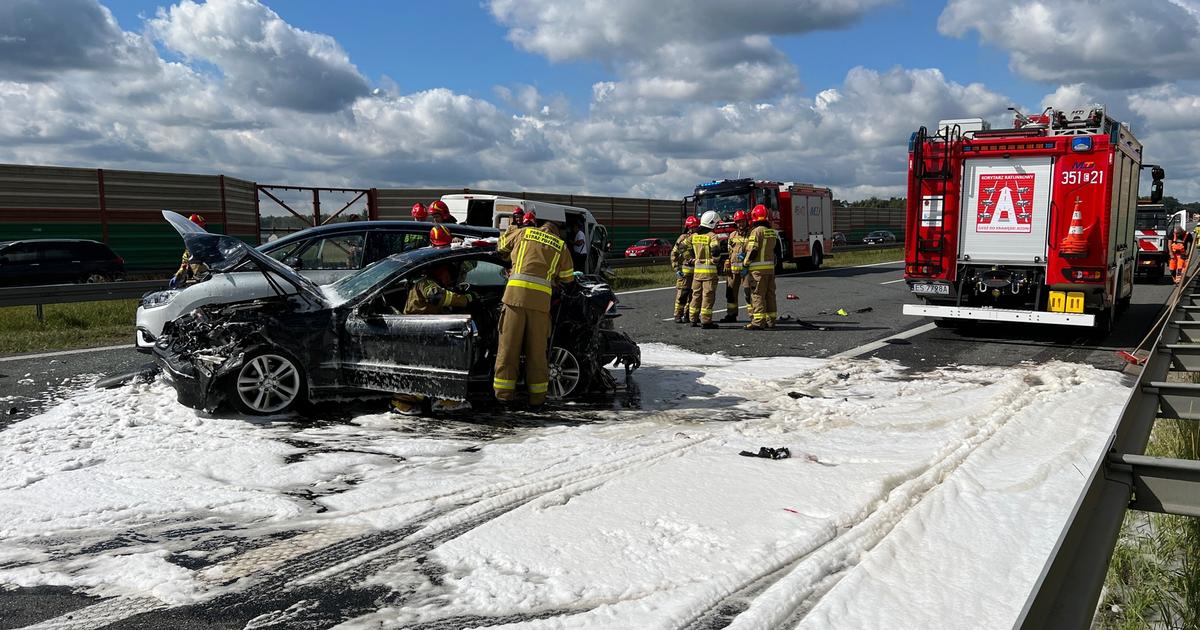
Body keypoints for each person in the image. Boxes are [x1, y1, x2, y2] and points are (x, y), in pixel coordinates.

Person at [494, 208, 575, 409]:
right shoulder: (561, 246)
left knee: (508, 350)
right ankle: (537, 400)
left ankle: (504, 397)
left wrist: (513, 228)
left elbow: (501, 247)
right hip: (540, 305)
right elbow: (568, 278)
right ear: (556, 232)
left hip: (514, 300)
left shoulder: (525, 233)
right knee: (537, 354)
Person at [390, 234, 473, 415]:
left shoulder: (431, 269)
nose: (449, 274)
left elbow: (468, 265)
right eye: (446, 270)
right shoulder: (426, 283)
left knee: (428, 368)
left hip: (424, 330)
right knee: (432, 366)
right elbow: (438, 297)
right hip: (420, 331)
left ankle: (429, 400)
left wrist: (463, 247)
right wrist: (465, 300)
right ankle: (426, 401)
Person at [742, 204, 778, 330]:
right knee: (770, 295)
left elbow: (753, 250)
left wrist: (745, 263)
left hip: (757, 271)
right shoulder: (772, 232)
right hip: (770, 269)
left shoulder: (756, 231)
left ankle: (758, 321)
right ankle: (771, 320)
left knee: (757, 295)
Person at [688, 211, 720, 328]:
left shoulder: (694, 236)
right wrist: (715, 261)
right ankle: (706, 321)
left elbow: (683, 247)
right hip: (709, 273)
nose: (716, 225)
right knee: (708, 296)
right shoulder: (712, 236)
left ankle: (693, 319)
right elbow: (715, 251)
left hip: (697, 272)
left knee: (696, 295)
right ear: (711, 223)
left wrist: (691, 258)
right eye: (716, 223)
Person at [721, 209, 751, 323]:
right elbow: (730, 251)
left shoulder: (751, 234)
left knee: (749, 293)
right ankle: (731, 315)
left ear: (746, 221)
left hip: (746, 270)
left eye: (742, 221)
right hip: (732, 271)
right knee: (730, 294)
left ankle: (754, 316)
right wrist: (727, 261)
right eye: (738, 222)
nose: (740, 224)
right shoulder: (732, 235)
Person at [671, 216, 699, 323]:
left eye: (696, 227)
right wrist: (676, 268)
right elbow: (674, 253)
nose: (694, 229)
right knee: (683, 294)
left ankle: (689, 315)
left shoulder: (699, 237)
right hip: (685, 272)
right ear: (688, 227)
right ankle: (678, 315)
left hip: (697, 272)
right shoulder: (682, 238)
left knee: (694, 295)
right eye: (692, 227)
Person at [170, 213, 208, 288]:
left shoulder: (210, 243)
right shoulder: (189, 249)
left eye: (201, 227)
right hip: (199, 282)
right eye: (198, 228)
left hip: (212, 278)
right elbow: (184, 265)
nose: (200, 231)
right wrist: (178, 276)